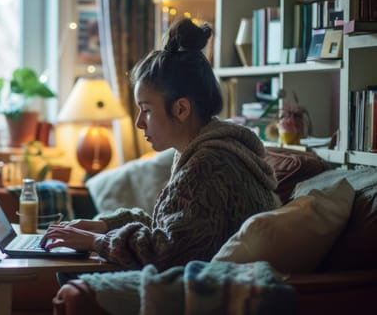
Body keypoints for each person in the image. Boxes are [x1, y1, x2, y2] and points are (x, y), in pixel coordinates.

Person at [41, 18, 280, 273]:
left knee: (72, 272)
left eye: (146, 110)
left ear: (181, 108)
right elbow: (169, 227)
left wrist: (96, 242)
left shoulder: (209, 165)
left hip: (214, 289)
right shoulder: (205, 151)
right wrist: (104, 227)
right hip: (201, 276)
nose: (139, 123)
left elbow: (168, 252)